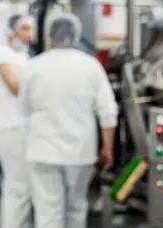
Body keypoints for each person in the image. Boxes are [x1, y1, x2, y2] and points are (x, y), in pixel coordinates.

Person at [18, 13, 118, 228]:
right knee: (76, 209)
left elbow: (23, 109)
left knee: (47, 212)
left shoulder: (34, 66)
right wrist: (107, 147)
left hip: (42, 150)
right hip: (80, 153)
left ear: (49, 36)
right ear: (77, 36)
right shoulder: (90, 65)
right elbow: (108, 110)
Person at [0, 14, 34, 228]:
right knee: (17, 188)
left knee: (24, 188)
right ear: (11, 30)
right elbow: (15, 87)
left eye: (29, 29)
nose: (28, 34)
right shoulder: (3, 54)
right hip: (10, 128)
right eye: (24, 28)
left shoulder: (24, 57)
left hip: (24, 128)